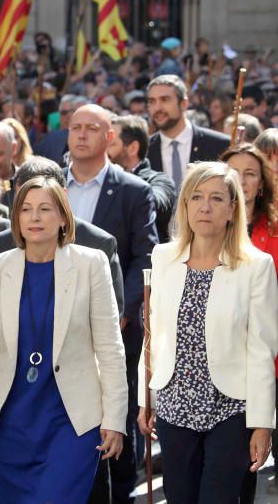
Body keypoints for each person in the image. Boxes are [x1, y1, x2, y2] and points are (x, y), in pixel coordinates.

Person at [0, 176, 128, 503]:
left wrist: (114, 419)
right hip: (14, 421)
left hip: (72, 422)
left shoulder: (90, 264)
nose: (34, 218)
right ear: (16, 219)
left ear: (63, 217)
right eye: (25, 209)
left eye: (44, 209)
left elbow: (110, 348)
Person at [139, 162, 278, 502]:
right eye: (196, 197)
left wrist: (263, 423)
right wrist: (147, 398)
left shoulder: (256, 266)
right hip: (174, 407)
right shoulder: (163, 257)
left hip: (231, 409)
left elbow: (262, 349)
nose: (205, 207)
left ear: (233, 209)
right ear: (184, 205)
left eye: (217, 198)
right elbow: (153, 334)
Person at [65, 104, 158, 503]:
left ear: (110, 138)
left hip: (114, 329)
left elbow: (144, 257)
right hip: (59, 325)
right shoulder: (46, 184)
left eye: (92, 128)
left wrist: (119, 309)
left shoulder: (133, 191)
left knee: (113, 421)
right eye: (75, 127)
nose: (81, 135)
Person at [221, 143, 278, 501]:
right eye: (232, 173)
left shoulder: (273, 230)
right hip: (226, 368)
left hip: (270, 360)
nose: (240, 181)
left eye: (250, 173)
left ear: (261, 184)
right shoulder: (202, 233)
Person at [146, 74, 230, 186]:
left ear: (184, 103)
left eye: (165, 100)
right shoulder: (144, 151)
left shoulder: (219, 145)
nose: (157, 108)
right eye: (152, 101)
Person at [108, 114, 177, 244]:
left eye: (110, 144)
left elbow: (152, 203)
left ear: (133, 148)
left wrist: (115, 179)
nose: (102, 151)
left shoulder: (159, 181)